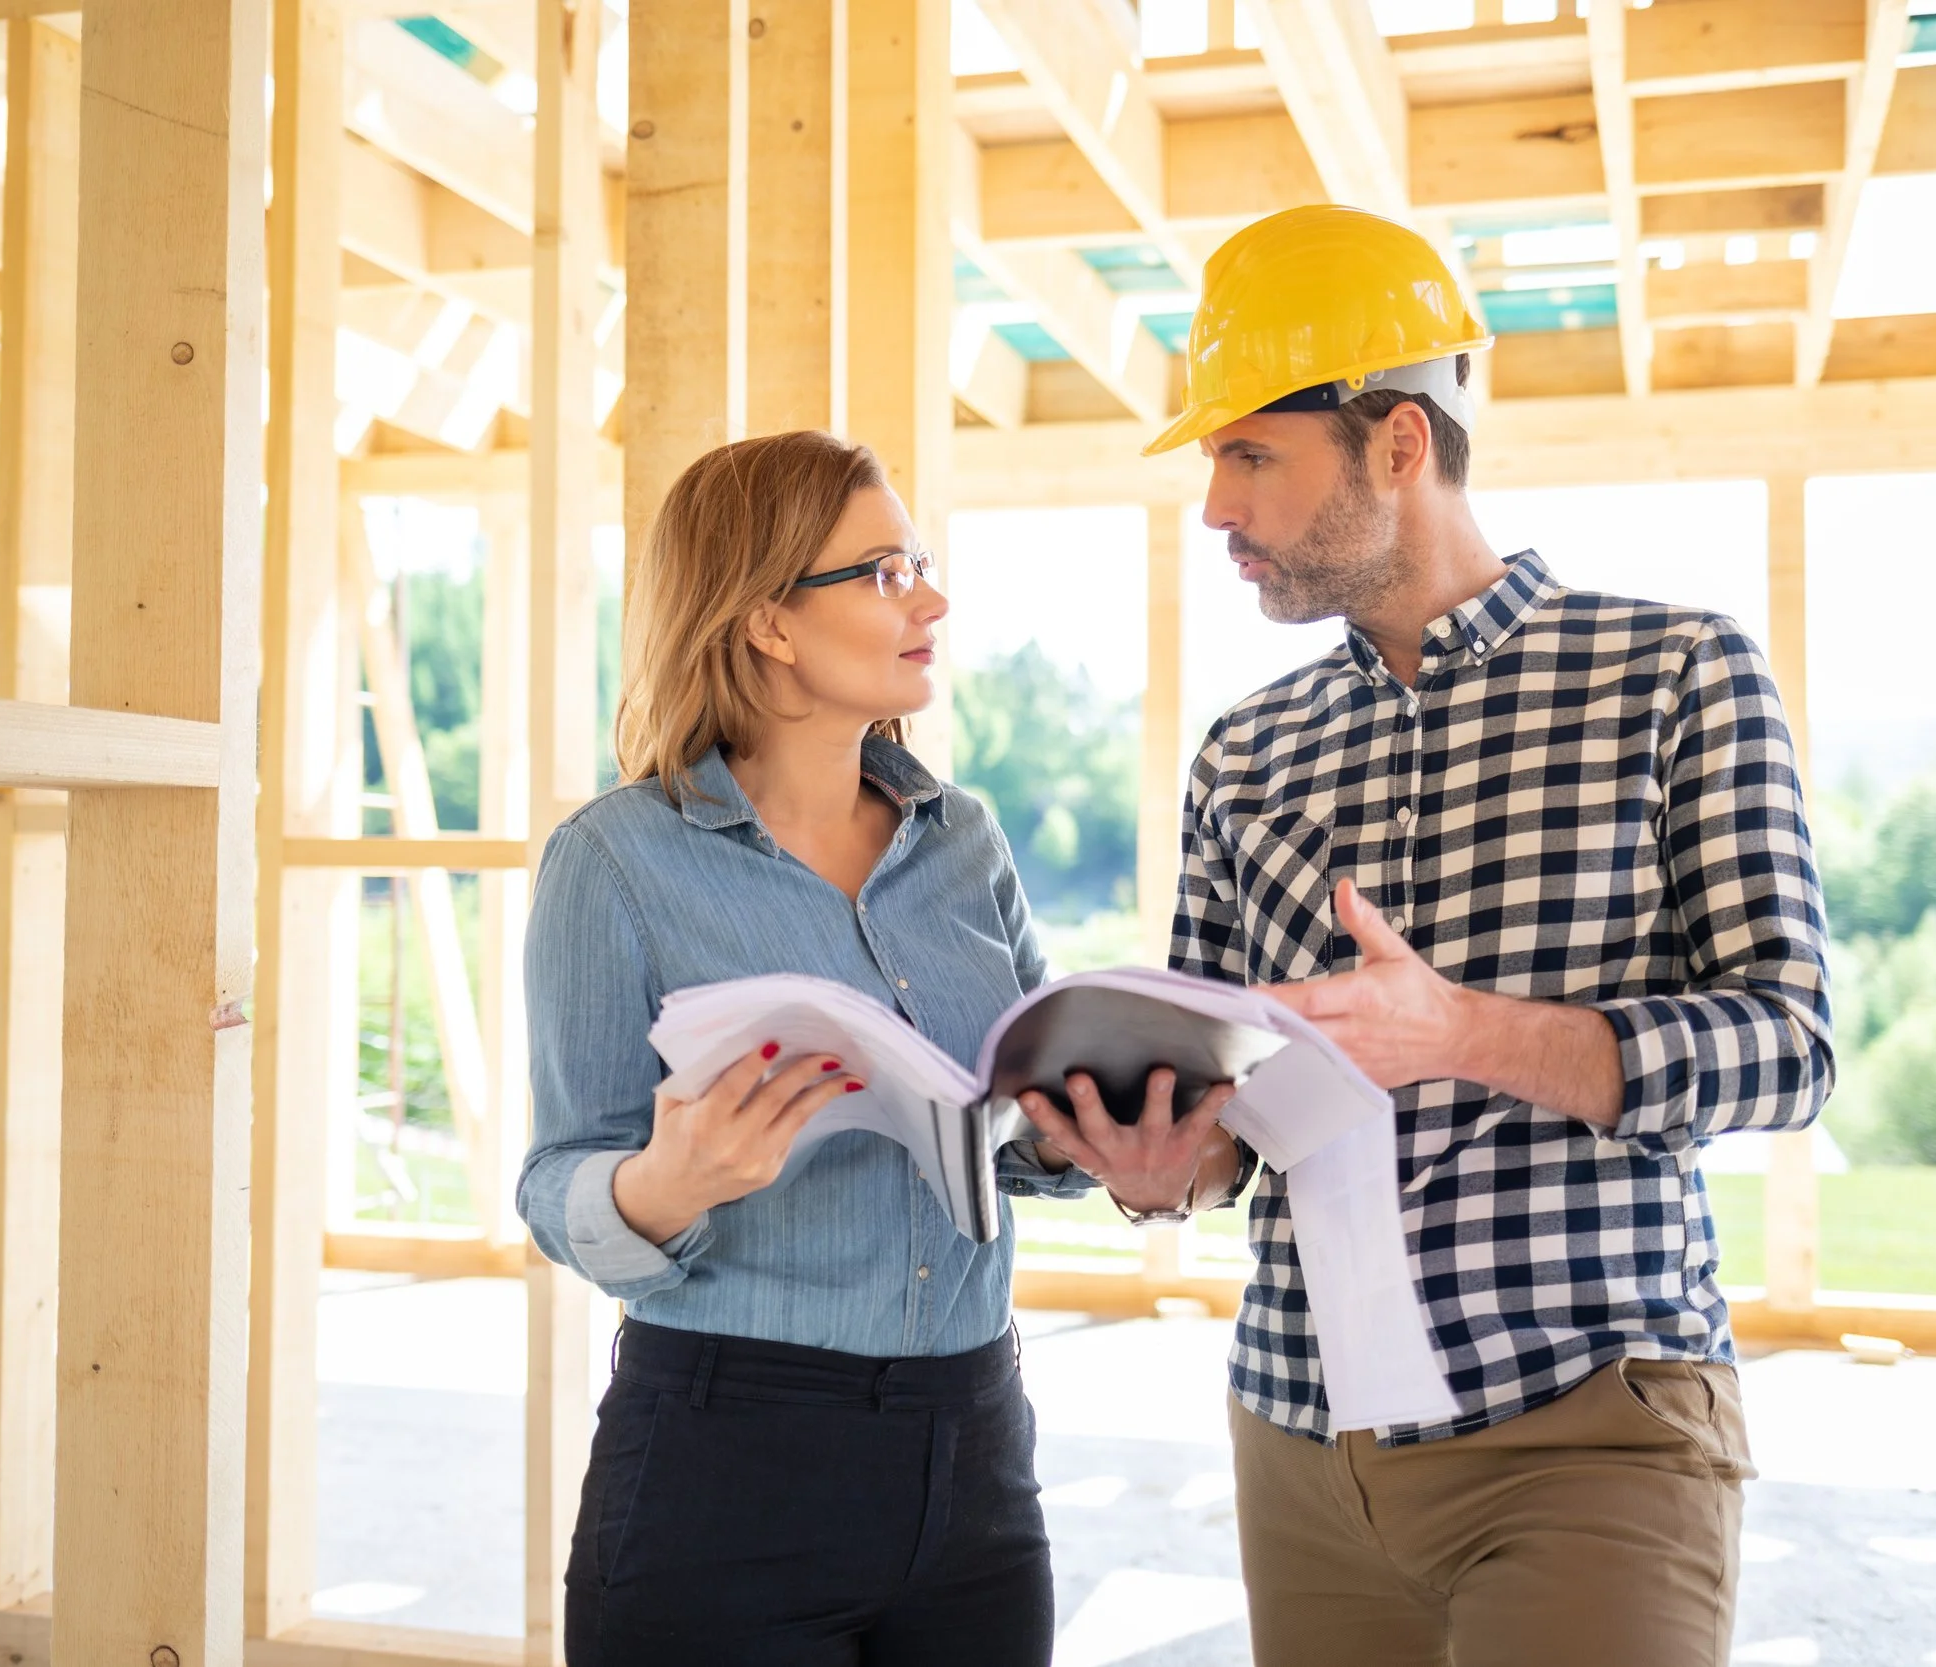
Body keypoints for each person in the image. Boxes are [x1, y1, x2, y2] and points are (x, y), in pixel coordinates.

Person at [1138, 205, 1835, 1665]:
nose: (1215, 506)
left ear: (1398, 442)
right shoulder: (1245, 753)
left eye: (1250, 452)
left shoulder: (1674, 673)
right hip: (1301, 1431)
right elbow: (1219, 1108)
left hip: (1586, 1426)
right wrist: (1163, 1162)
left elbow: (1790, 1045)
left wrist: (1459, 1032)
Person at [513, 429, 1245, 1667]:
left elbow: (1001, 1129)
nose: (932, 598)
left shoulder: (963, 837)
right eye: (884, 571)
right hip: (724, 1456)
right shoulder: (616, 860)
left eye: (920, 563)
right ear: (767, 624)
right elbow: (555, 1178)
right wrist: (663, 1185)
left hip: (973, 1452)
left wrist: (1098, 1145)